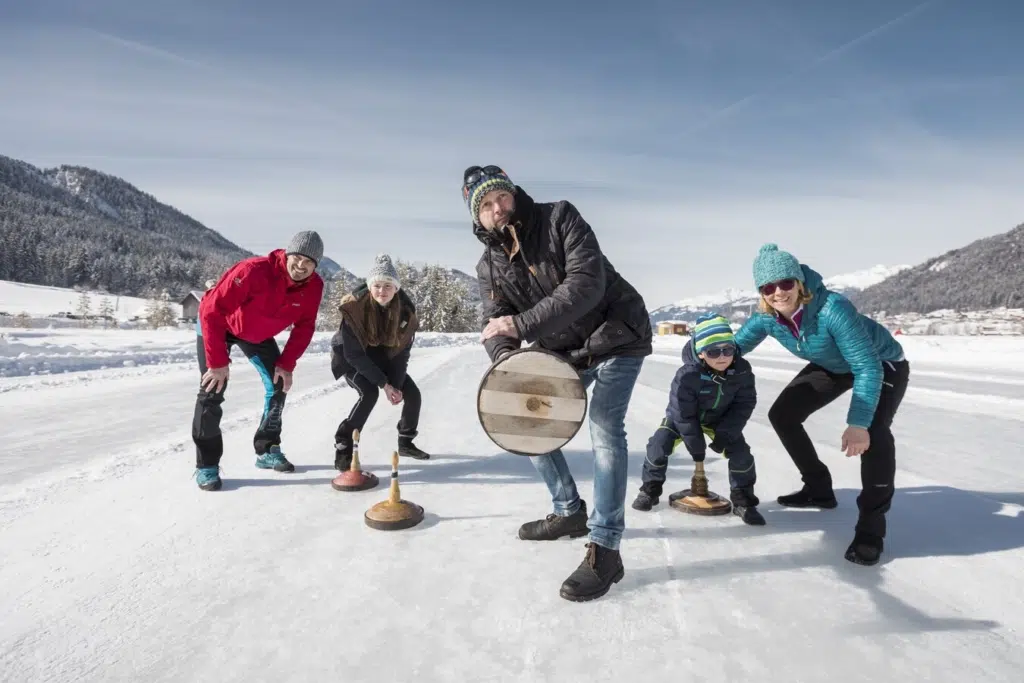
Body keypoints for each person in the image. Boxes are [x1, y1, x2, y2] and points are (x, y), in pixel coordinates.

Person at [463, 164, 652, 602]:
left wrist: (523, 322)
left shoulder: (559, 218)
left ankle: (605, 549)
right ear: (477, 216)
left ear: (513, 194)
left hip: (617, 333)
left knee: (604, 427)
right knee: (526, 420)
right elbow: (495, 327)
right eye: (486, 205)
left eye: (502, 197)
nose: (498, 208)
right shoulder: (488, 265)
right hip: (564, 350)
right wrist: (510, 363)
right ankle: (568, 512)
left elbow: (586, 284)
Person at [734, 243, 910, 565]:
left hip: (882, 363)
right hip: (834, 366)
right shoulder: (766, 317)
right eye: (768, 287)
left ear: (799, 283)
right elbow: (732, 347)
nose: (778, 293)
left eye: (786, 283)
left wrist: (857, 423)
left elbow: (867, 368)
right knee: (783, 415)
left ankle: (871, 529)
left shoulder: (832, 309)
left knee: (873, 432)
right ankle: (818, 489)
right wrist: (698, 353)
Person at [192, 230, 326, 491]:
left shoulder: (314, 287)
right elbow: (211, 311)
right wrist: (218, 363)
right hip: (218, 324)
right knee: (212, 388)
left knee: (278, 384)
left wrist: (286, 364)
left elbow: (305, 327)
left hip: (256, 334)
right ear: (287, 254)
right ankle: (206, 466)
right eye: (297, 258)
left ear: (315, 265)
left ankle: (267, 450)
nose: (301, 266)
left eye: (309, 262)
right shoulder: (254, 270)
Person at [633, 313, 764, 525]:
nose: (722, 356)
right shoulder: (687, 375)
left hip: (719, 420)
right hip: (681, 419)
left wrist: (726, 434)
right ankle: (649, 490)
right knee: (658, 445)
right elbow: (683, 413)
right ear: (701, 353)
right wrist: (696, 448)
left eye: (727, 350)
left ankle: (743, 501)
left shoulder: (742, 371)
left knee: (742, 455)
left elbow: (744, 405)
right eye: (713, 351)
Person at [329, 254, 429, 469]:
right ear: (370, 286)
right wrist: (384, 384)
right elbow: (354, 355)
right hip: (350, 358)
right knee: (369, 393)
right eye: (377, 286)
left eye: (387, 286)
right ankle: (343, 445)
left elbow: (401, 354)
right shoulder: (354, 310)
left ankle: (406, 441)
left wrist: (396, 383)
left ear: (396, 289)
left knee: (413, 395)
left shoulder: (405, 313)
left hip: (384, 358)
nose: (382, 291)